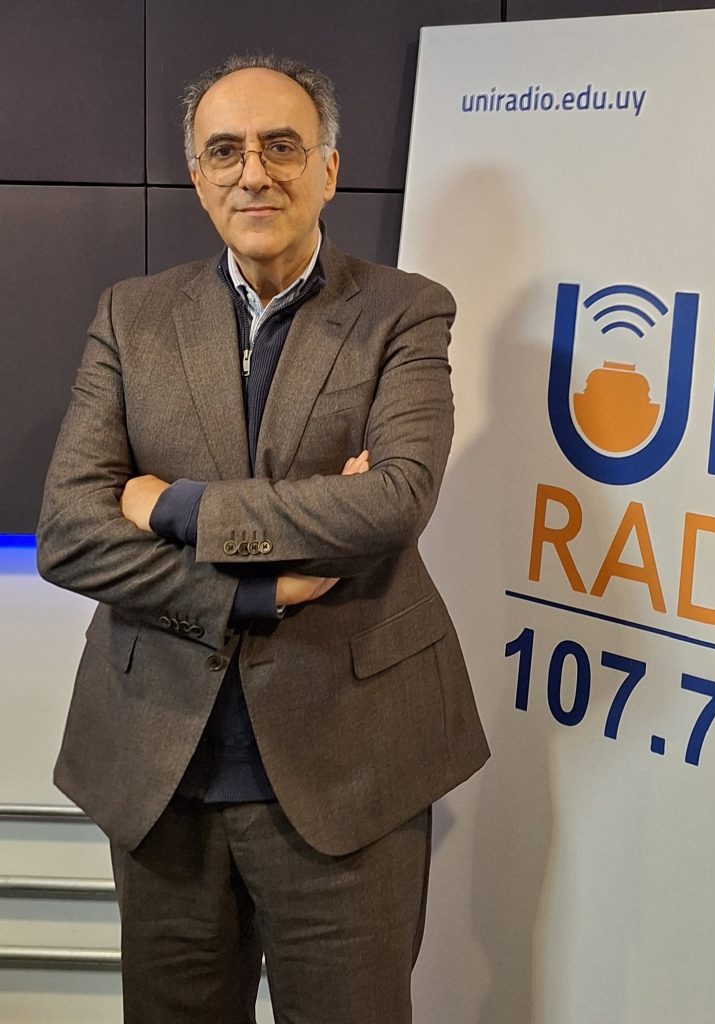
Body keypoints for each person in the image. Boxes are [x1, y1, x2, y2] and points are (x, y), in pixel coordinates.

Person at [36, 53, 489, 1023]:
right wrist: (250, 589)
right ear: (197, 178)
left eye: (283, 146)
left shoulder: (405, 310)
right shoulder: (131, 315)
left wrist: (172, 506)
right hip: (162, 770)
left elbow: (395, 502)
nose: (255, 173)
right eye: (226, 151)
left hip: (350, 770)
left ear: (329, 168)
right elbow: (69, 533)